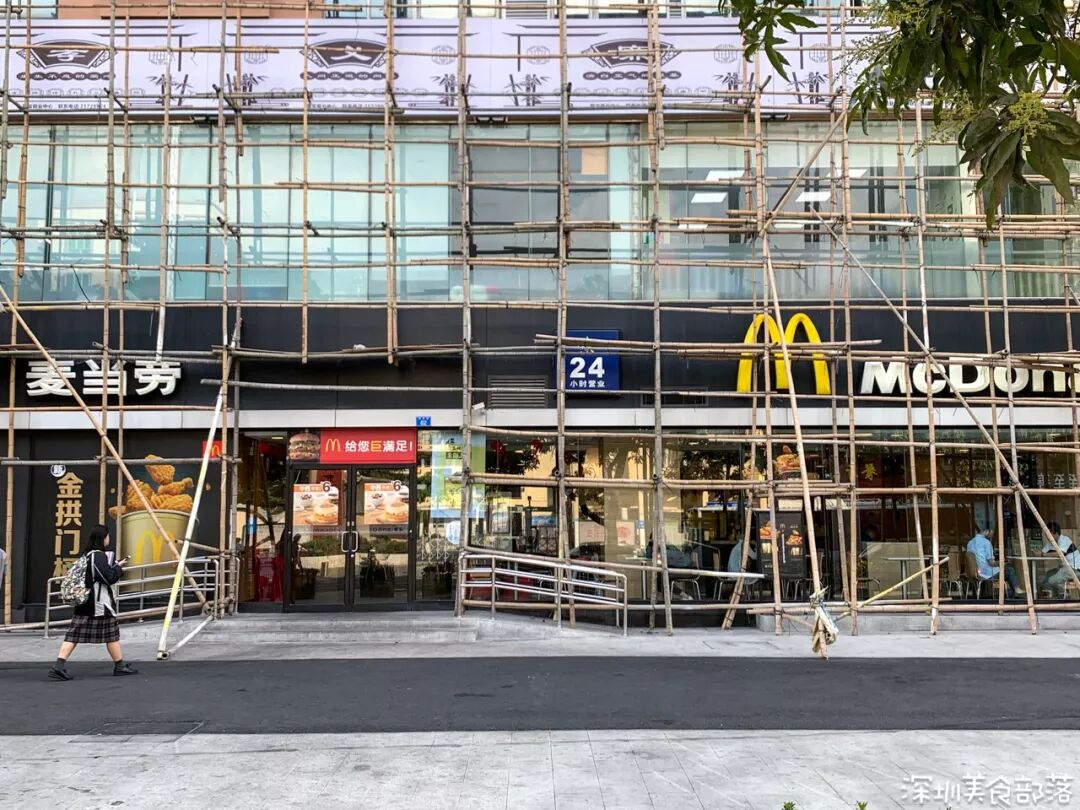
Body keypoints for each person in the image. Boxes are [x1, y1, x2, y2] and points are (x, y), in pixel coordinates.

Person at [49, 525, 138, 681]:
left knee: (76, 634)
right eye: (107, 536)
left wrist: (115, 566)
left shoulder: (87, 555)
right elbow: (108, 578)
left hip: (86, 601)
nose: (109, 538)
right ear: (102, 538)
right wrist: (118, 568)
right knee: (109, 634)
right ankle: (119, 666)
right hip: (98, 604)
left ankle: (59, 666)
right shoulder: (98, 556)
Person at [966, 526, 1019, 598]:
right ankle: (1015, 591)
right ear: (986, 531)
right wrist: (1001, 563)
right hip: (987, 574)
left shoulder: (970, 543)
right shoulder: (986, 542)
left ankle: (1012, 593)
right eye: (991, 531)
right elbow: (991, 562)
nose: (992, 533)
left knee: (1006, 569)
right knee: (1009, 569)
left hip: (976, 573)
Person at [1041, 522, 1079, 597]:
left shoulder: (1064, 539)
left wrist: (1042, 554)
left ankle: (1064, 596)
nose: (1046, 536)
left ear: (1056, 533)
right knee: (1047, 578)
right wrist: (1037, 552)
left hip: (1075, 569)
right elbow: (1041, 552)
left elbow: (1060, 553)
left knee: (1052, 581)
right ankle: (1054, 597)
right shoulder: (1051, 544)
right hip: (1064, 568)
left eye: (1048, 534)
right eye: (1045, 534)